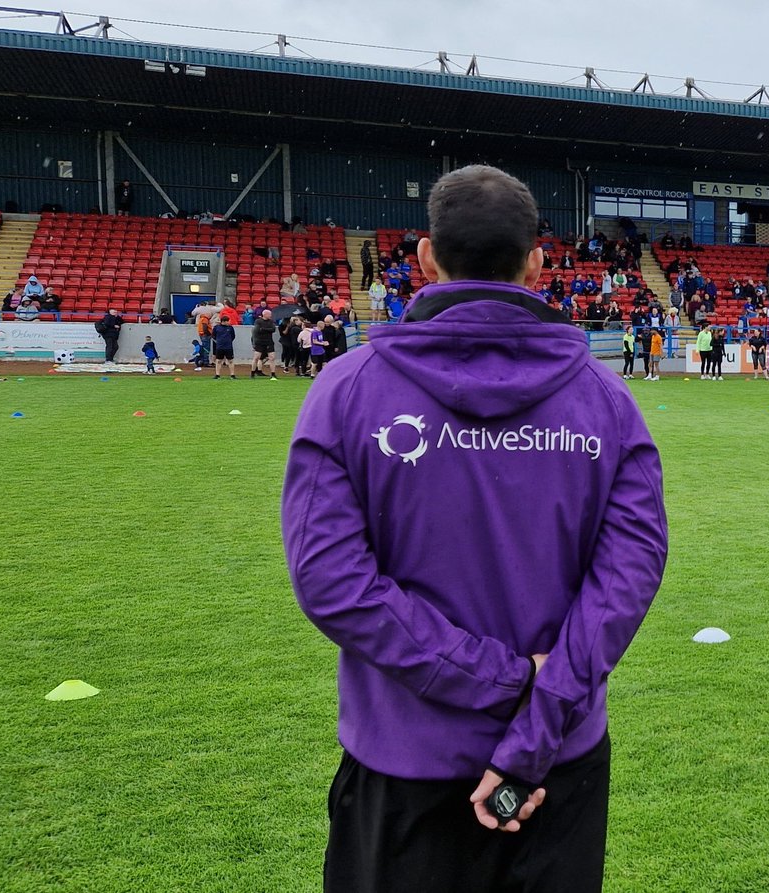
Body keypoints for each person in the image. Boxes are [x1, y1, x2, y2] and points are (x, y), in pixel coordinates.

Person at [281, 164, 667, 893]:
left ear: (425, 257)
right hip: (554, 762)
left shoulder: (345, 389)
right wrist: (531, 701)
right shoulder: (609, 402)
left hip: (408, 766)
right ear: (537, 263)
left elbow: (331, 583)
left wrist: (504, 685)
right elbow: (628, 577)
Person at [251, 309, 278, 379]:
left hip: (269, 342)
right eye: (269, 314)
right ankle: (252, 373)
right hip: (260, 342)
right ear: (265, 314)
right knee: (256, 357)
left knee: (272, 358)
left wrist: (264, 329)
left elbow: (273, 329)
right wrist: (267, 330)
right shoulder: (258, 321)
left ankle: (273, 373)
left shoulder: (271, 321)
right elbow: (258, 330)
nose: (271, 315)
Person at [212, 315, 236, 379]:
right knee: (218, 361)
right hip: (219, 347)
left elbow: (233, 336)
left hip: (228, 347)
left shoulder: (230, 328)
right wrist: (218, 342)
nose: (229, 322)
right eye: (228, 321)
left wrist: (228, 341)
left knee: (230, 361)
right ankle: (217, 375)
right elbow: (213, 336)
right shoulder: (216, 328)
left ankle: (232, 375)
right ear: (224, 321)